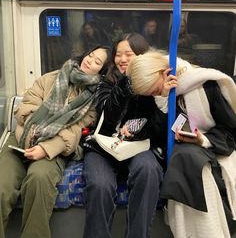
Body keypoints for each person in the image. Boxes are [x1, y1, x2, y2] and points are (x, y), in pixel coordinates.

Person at [0, 46, 109, 238]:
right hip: (22, 136)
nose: (89, 61)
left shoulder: (94, 98)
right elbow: (26, 107)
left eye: (97, 62)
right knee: (2, 184)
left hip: (55, 148)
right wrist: (35, 130)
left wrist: (45, 147)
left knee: (39, 179)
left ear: (102, 70)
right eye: (90, 55)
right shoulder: (49, 78)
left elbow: (75, 130)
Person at [127, 50, 236, 238]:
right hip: (180, 151)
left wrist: (203, 140)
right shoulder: (154, 96)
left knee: (188, 160)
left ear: (164, 73)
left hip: (212, 145)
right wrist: (162, 100)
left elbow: (230, 131)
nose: (153, 94)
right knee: (183, 158)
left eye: (154, 90)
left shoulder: (205, 86)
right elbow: (158, 137)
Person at [83, 33, 171, 238]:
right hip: (104, 146)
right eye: (118, 55)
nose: (122, 60)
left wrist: (160, 97)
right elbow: (108, 120)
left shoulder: (155, 85)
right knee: (100, 184)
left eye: (129, 54)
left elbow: (159, 131)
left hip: (139, 145)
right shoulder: (107, 81)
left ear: (141, 56)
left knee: (149, 170)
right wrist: (127, 83)